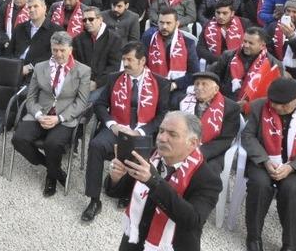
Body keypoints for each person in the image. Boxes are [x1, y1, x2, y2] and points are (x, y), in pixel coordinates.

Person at [105, 111, 222, 251]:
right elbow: (119, 191)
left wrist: (153, 181)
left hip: (172, 246)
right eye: (161, 131)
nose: (162, 138)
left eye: (172, 134)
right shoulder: (149, 156)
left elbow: (193, 221)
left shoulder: (207, 179)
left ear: (193, 143)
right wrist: (116, 177)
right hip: (134, 238)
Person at [83, 41, 171, 223]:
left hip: (142, 132)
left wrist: (140, 131)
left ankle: (128, 192)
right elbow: (99, 105)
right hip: (117, 128)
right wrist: (112, 124)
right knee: (95, 145)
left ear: (143, 61)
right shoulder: (115, 78)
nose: (126, 64)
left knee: (141, 157)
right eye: (124, 59)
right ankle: (94, 200)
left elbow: (162, 115)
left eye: (130, 60)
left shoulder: (160, 83)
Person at [12, 31, 91, 197]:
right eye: (55, 50)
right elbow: (31, 97)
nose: (58, 54)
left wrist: (59, 118)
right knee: (19, 139)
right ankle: (53, 168)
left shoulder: (82, 71)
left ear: (70, 49)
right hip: (40, 113)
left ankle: (51, 177)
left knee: (53, 144)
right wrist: (39, 115)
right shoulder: (40, 67)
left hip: (64, 117)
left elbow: (82, 102)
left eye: (62, 50)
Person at [241, 78, 296, 251]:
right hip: (264, 161)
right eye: (273, 103)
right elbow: (248, 136)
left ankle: (290, 244)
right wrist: (265, 161)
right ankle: (253, 238)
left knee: (292, 190)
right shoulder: (259, 106)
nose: (276, 107)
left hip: (294, 166)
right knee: (259, 185)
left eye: (283, 105)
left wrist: (291, 167)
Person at [176, 71, 241, 171]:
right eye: (197, 84)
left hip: (212, 152)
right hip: (182, 145)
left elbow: (225, 140)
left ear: (216, 89)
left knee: (208, 170)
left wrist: (197, 152)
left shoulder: (231, 107)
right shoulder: (183, 101)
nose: (199, 87)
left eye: (204, 84)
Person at [142, 8, 199, 107]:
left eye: (168, 23)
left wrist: (174, 85)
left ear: (177, 24)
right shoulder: (147, 40)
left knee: (175, 103)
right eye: (161, 23)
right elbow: (141, 66)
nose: (164, 26)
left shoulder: (188, 43)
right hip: (151, 84)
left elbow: (194, 73)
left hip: (177, 87)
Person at [208, 27, 282, 103]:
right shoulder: (228, 55)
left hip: (254, 107)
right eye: (245, 41)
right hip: (227, 102)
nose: (246, 45)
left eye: (250, 43)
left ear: (262, 46)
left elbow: (275, 90)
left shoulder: (273, 64)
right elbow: (215, 78)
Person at [73, 6, 124, 90]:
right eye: (84, 20)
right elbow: (75, 63)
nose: (87, 22)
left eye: (91, 19)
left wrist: (97, 83)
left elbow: (114, 67)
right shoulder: (78, 39)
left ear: (100, 19)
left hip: (104, 85)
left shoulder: (114, 39)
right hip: (81, 83)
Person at [196, 0, 250, 65]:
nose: (220, 16)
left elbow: (249, 46)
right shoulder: (208, 25)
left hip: (240, 62)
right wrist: (220, 60)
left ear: (232, 13)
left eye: (225, 13)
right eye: (218, 13)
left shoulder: (244, 23)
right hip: (216, 62)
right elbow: (200, 49)